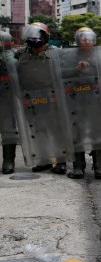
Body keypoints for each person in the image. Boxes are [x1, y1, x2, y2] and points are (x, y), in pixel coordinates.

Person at [16, 23, 68, 175]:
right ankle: (43, 160)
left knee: (56, 130)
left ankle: (61, 160)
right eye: (31, 36)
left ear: (45, 37)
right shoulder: (21, 55)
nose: (34, 40)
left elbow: (65, 74)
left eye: (37, 35)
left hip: (52, 98)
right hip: (31, 99)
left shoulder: (57, 54)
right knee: (38, 131)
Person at [63, 27, 101, 180]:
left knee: (98, 134)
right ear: (78, 40)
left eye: (90, 38)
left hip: (97, 100)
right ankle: (78, 167)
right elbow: (60, 74)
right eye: (84, 39)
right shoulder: (69, 56)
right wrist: (76, 69)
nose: (87, 41)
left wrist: (94, 66)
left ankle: (100, 168)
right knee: (77, 133)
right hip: (76, 100)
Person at [0, 31, 18, 174]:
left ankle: (8, 161)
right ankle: (8, 162)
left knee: (8, 131)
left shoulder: (10, 58)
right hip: (8, 99)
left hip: (7, 99)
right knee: (8, 131)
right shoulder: (12, 58)